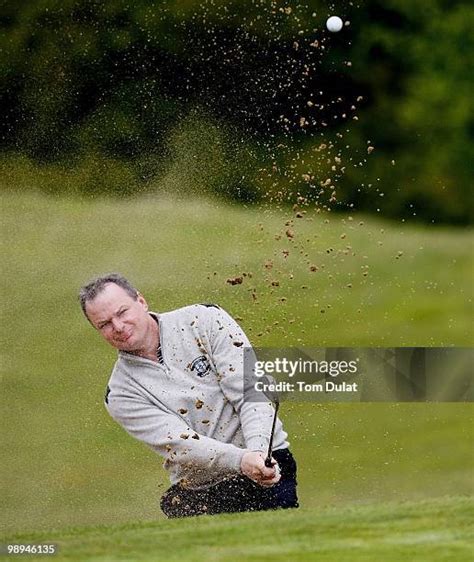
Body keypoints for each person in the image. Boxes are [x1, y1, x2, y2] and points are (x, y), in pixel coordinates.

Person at [79, 273, 298, 517]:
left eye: (122, 312)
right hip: (206, 487)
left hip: (270, 462)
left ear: (141, 301)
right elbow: (181, 444)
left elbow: (250, 392)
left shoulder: (203, 319)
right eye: (104, 324)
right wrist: (242, 461)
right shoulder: (120, 393)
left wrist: (258, 455)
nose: (118, 327)